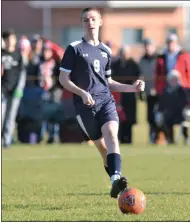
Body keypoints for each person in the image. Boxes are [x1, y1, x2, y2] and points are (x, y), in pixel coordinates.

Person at [59, 7, 145, 198]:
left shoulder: (106, 50)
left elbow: (108, 82)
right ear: (82, 23)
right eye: (85, 19)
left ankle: (116, 179)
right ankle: (117, 182)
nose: (89, 22)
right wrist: (81, 93)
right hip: (85, 106)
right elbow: (63, 79)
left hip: (106, 100)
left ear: (100, 22)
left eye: (93, 19)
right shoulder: (74, 49)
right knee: (102, 148)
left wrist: (133, 87)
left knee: (112, 135)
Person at [155, 33, 190, 145]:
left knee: (184, 113)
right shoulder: (162, 55)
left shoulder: (183, 54)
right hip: (168, 85)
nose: (170, 44)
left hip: (182, 85)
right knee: (167, 115)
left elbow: (189, 71)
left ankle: (186, 137)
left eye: (172, 42)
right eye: (169, 42)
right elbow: (158, 73)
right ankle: (170, 139)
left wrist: (189, 87)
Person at [2, 29, 26, 148]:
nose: (9, 41)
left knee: (10, 118)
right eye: (7, 39)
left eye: (11, 38)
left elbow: (22, 73)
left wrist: (19, 88)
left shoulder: (18, 55)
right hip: (2, 91)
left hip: (14, 91)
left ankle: (7, 141)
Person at [111, 46, 140, 143]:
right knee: (118, 117)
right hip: (118, 94)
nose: (124, 55)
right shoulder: (115, 65)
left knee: (129, 118)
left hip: (130, 95)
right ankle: (119, 139)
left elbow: (137, 77)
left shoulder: (133, 64)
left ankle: (129, 140)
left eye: (126, 52)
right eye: (122, 52)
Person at [155, 70, 187, 144]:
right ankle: (170, 139)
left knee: (184, 121)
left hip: (180, 113)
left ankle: (186, 138)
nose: (173, 81)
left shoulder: (181, 90)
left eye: (175, 79)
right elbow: (162, 103)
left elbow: (184, 103)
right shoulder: (166, 90)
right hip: (168, 114)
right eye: (172, 79)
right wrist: (159, 112)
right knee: (165, 121)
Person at [139, 38, 158, 143]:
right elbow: (141, 76)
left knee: (158, 116)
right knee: (150, 116)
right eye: (146, 46)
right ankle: (152, 137)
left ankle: (161, 137)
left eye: (149, 45)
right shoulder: (142, 60)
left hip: (159, 93)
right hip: (148, 92)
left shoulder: (159, 58)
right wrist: (141, 91)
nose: (147, 48)